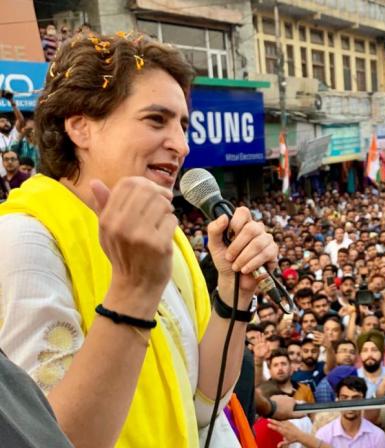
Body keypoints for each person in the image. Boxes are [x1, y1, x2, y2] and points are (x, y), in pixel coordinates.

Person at [0, 32, 294, 447]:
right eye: (156, 120)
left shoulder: (166, 237)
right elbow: (52, 438)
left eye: (183, 124)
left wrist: (233, 292)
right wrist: (132, 292)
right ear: (80, 126)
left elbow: (205, 402)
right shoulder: (24, 240)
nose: (181, 144)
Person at [268, 376, 385, 448]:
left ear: (364, 400)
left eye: (355, 398)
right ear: (337, 400)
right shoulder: (324, 434)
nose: (349, 403)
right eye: (344, 398)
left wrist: (302, 437)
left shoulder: (377, 436)